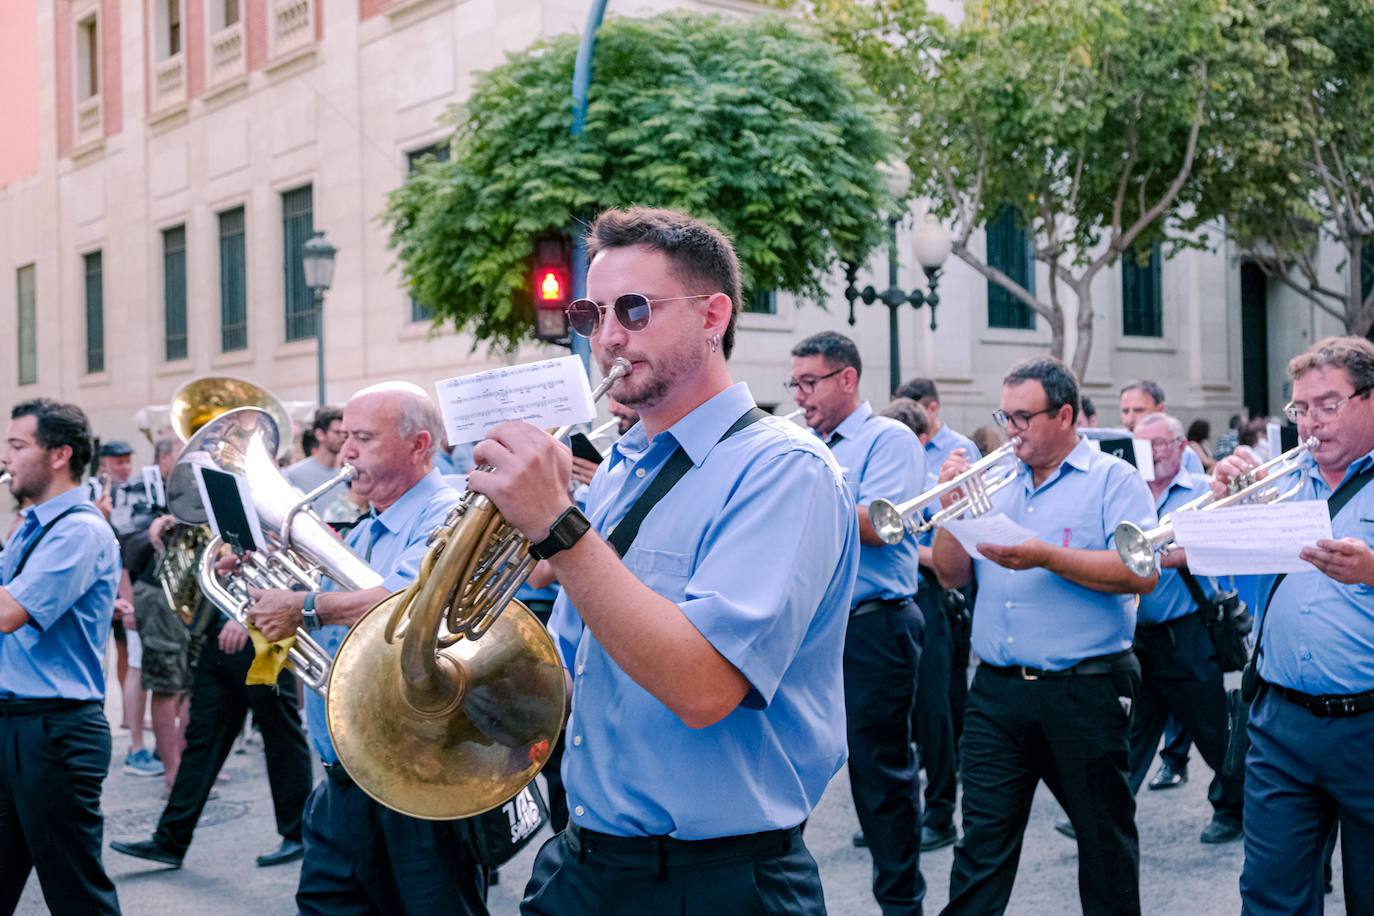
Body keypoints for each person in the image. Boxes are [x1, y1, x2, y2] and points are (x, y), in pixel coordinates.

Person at [466, 207, 857, 915]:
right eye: (593, 313)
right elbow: (583, 633)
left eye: (635, 310)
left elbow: (703, 688)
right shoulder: (620, 466)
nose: (608, 336)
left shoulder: (784, 469)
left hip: (717, 880)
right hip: (585, 856)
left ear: (713, 316)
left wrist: (557, 524)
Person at [243, 382, 486, 916]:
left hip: (414, 778)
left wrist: (304, 603)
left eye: (363, 438)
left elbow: (410, 603)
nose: (345, 452)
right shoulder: (367, 527)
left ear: (419, 445)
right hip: (343, 776)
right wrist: (259, 585)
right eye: (345, 437)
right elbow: (329, 624)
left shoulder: (450, 513)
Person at [932, 356, 1157, 916]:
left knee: (1103, 843)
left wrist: (1045, 557)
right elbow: (950, 574)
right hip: (996, 692)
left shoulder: (1114, 479)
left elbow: (1142, 573)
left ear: (1065, 415)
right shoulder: (998, 478)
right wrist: (950, 513)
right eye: (1004, 417)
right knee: (979, 847)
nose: (1011, 431)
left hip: (1083, 688)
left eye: (1022, 418)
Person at [1214, 336, 1374, 913]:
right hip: (1281, 721)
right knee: (1270, 896)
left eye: (1327, 405)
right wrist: (1227, 511)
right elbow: (1227, 573)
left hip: (1368, 723)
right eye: (1300, 409)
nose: (1310, 423)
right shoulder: (1276, 480)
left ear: (1370, 399)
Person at [790, 330, 926, 915]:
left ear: (848, 379)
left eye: (810, 382)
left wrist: (796, 491)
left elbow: (882, 524)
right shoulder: (798, 441)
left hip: (875, 625)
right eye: (794, 384)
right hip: (813, 628)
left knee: (881, 777)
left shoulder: (887, 439)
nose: (800, 395)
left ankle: (900, 906)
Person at [0, 398, 122, 915]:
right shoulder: (32, 524)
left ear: (59, 455)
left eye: (17, 445)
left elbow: (8, 613)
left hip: (54, 732)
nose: (5, 458)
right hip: (18, 725)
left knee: (77, 897)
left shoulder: (79, 529)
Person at [1120, 413, 1243, 843]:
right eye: (1143, 446)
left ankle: (1232, 808)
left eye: (1160, 444)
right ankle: (1109, 812)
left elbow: (1219, 546)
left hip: (1184, 632)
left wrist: (1161, 556)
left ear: (1179, 445)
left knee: (1212, 729)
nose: (1152, 453)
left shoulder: (1199, 491)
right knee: (1131, 733)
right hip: (1136, 635)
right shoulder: (1125, 488)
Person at [892, 376, 980, 853]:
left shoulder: (956, 454)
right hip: (897, 593)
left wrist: (908, 546)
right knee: (898, 713)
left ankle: (942, 809)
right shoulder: (900, 454)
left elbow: (958, 544)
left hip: (934, 590)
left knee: (936, 708)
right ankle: (899, 808)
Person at [126, 438, 192, 793]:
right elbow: (132, 542)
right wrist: (163, 519)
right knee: (167, 684)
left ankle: (186, 762)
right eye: (184, 452)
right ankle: (173, 771)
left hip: (193, 595)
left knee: (191, 686)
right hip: (157, 592)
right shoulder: (144, 488)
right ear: (165, 458)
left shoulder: (194, 488)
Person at [284, 407, 346, 513]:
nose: (342, 438)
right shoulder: (293, 474)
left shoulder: (349, 474)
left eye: (345, 433)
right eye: (336, 432)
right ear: (320, 434)